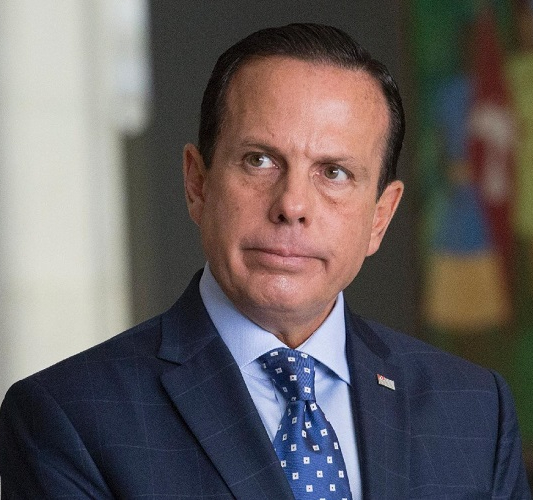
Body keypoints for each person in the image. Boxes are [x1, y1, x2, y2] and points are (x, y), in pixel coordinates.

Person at [0, 23, 530, 499]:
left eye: (334, 172)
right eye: (259, 160)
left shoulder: (476, 412)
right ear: (197, 183)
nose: (292, 205)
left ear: (380, 217)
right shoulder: (69, 417)